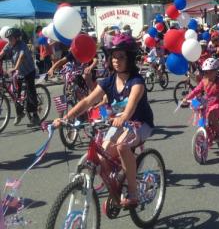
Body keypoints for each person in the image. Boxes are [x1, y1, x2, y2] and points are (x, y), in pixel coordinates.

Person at [53, 33, 154, 208]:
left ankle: (132, 191)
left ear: (129, 58)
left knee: (122, 145)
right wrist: (66, 118)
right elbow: (87, 101)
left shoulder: (137, 82)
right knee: (103, 154)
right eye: (113, 57)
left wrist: (123, 117)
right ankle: (118, 179)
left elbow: (130, 108)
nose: (116, 60)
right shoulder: (108, 81)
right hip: (118, 123)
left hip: (140, 122)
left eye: (121, 57)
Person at [0, 28, 40, 126]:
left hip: (29, 71)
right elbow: (1, 54)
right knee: (16, 94)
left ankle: (35, 115)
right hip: (19, 73)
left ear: (17, 38)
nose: (9, 40)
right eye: (8, 38)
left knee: (30, 91)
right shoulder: (9, 45)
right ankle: (20, 113)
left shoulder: (22, 45)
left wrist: (15, 68)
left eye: (11, 38)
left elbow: (21, 57)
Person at [182, 58, 219, 131]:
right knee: (201, 115)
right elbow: (196, 90)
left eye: (210, 72)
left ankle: (218, 132)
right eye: (206, 72)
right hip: (207, 103)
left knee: (212, 116)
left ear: (216, 71)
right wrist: (187, 98)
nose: (208, 74)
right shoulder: (204, 81)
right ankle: (203, 132)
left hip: (217, 103)